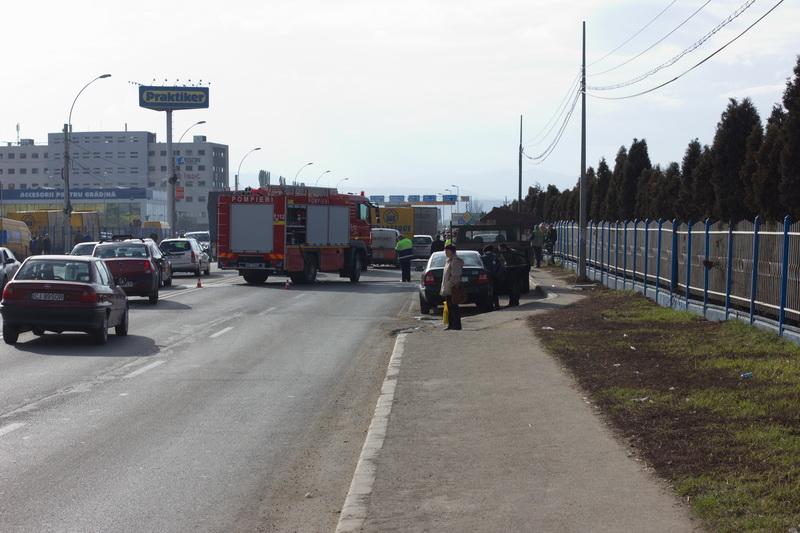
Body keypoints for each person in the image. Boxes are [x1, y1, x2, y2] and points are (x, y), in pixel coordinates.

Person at [440, 244, 464, 330]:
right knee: (449, 307)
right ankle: (450, 325)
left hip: (453, 288)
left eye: (447, 250)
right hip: (448, 288)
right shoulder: (448, 261)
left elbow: (455, 276)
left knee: (454, 307)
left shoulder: (455, 261)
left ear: (451, 251)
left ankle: (456, 325)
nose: (445, 252)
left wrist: (449, 284)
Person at [481, 245, 504, 310]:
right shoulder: (495, 257)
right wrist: (498, 276)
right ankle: (496, 305)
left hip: (486, 277)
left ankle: (489, 306)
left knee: (488, 293)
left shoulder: (482, 258)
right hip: (495, 277)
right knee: (495, 293)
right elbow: (501, 267)